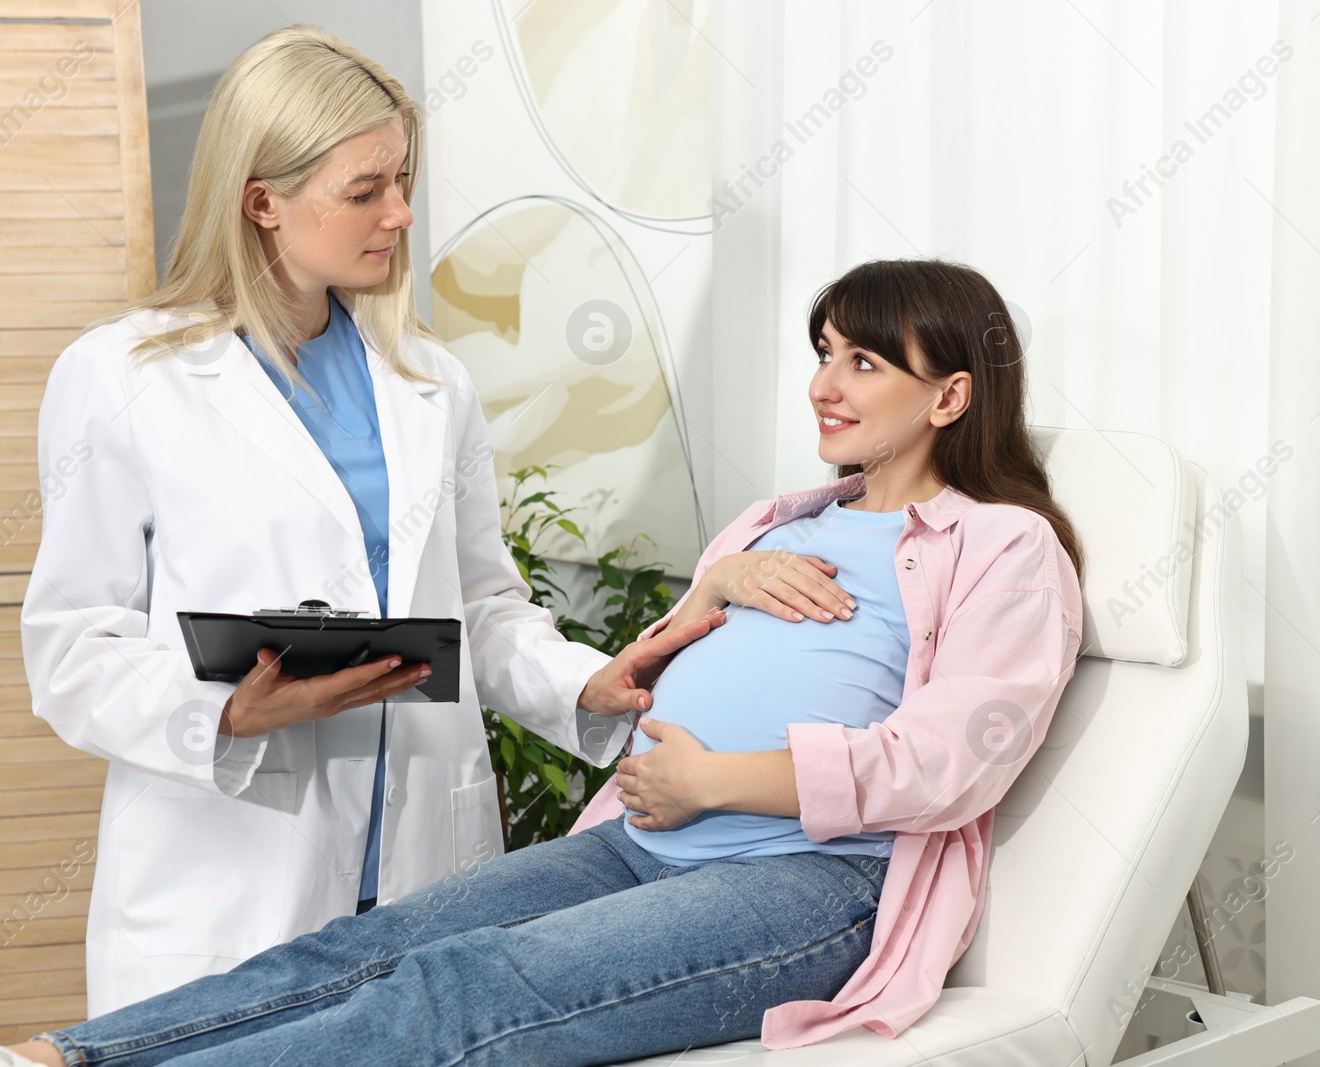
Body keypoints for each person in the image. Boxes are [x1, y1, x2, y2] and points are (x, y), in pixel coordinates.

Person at [4, 258, 1086, 1066]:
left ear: (949, 396)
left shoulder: (1003, 544)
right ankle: (69, 1054)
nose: (823, 384)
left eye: (863, 361)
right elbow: (659, 676)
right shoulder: (772, 520)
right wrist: (706, 595)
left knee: (455, 990)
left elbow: (948, 758)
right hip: (638, 838)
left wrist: (716, 780)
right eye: (822, 354)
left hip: (804, 878)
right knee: (366, 947)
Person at [15, 25, 718, 1017]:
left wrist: (583, 681)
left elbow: (481, 605)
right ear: (262, 200)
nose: (401, 212)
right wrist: (225, 709)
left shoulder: (432, 379)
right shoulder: (125, 377)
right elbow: (73, 643)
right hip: (230, 865)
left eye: (402, 180)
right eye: (366, 190)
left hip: (424, 862)